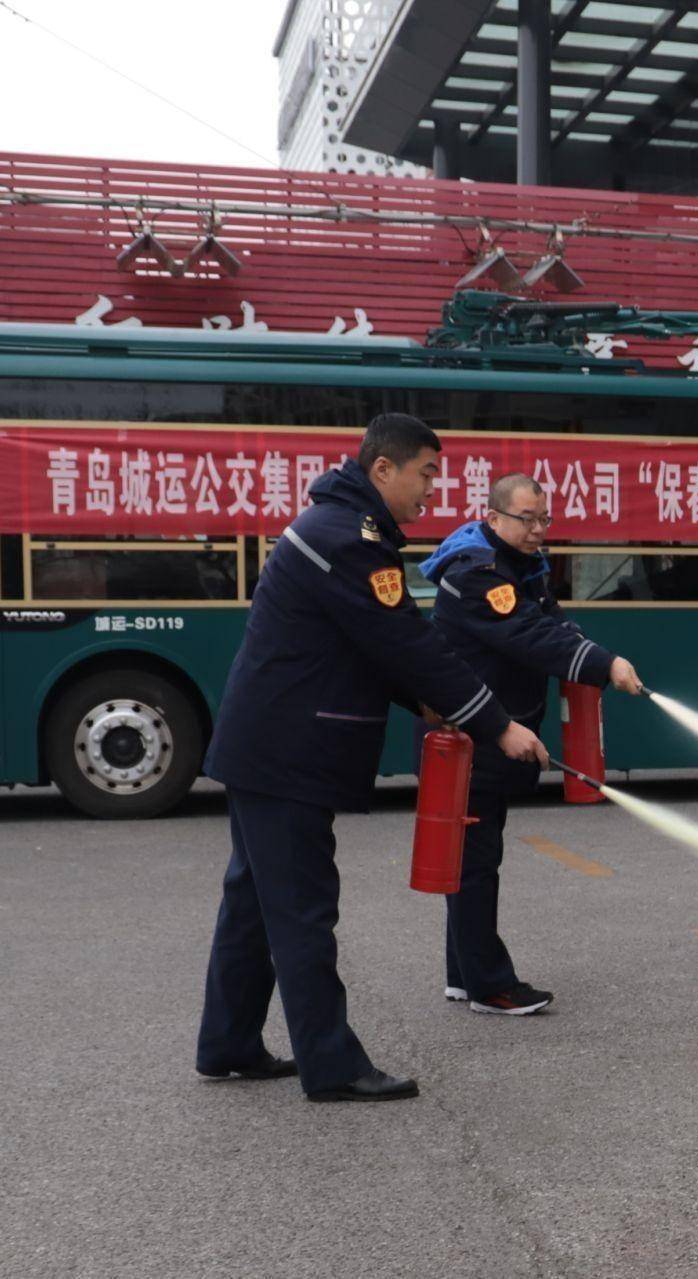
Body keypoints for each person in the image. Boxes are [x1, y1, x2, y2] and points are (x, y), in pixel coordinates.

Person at [196, 414, 548, 1104]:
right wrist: (496, 723)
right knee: (301, 910)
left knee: (254, 904)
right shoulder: (346, 539)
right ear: (382, 469)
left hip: (268, 747)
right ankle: (331, 1064)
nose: (432, 490)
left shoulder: (344, 529)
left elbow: (363, 644)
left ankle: (229, 1042)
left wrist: (420, 702)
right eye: (425, 473)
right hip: (285, 752)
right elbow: (404, 642)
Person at [420, 474, 646, 1015]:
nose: (539, 530)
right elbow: (527, 635)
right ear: (494, 518)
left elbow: (553, 624)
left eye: (544, 519)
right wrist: (604, 665)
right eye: (527, 520)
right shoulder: (479, 573)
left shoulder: (522, 568)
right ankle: (489, 986)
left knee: (472, 854)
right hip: (471, 736)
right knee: (476, 857)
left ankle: (463, 972)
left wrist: (596, 655)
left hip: (486, 732)